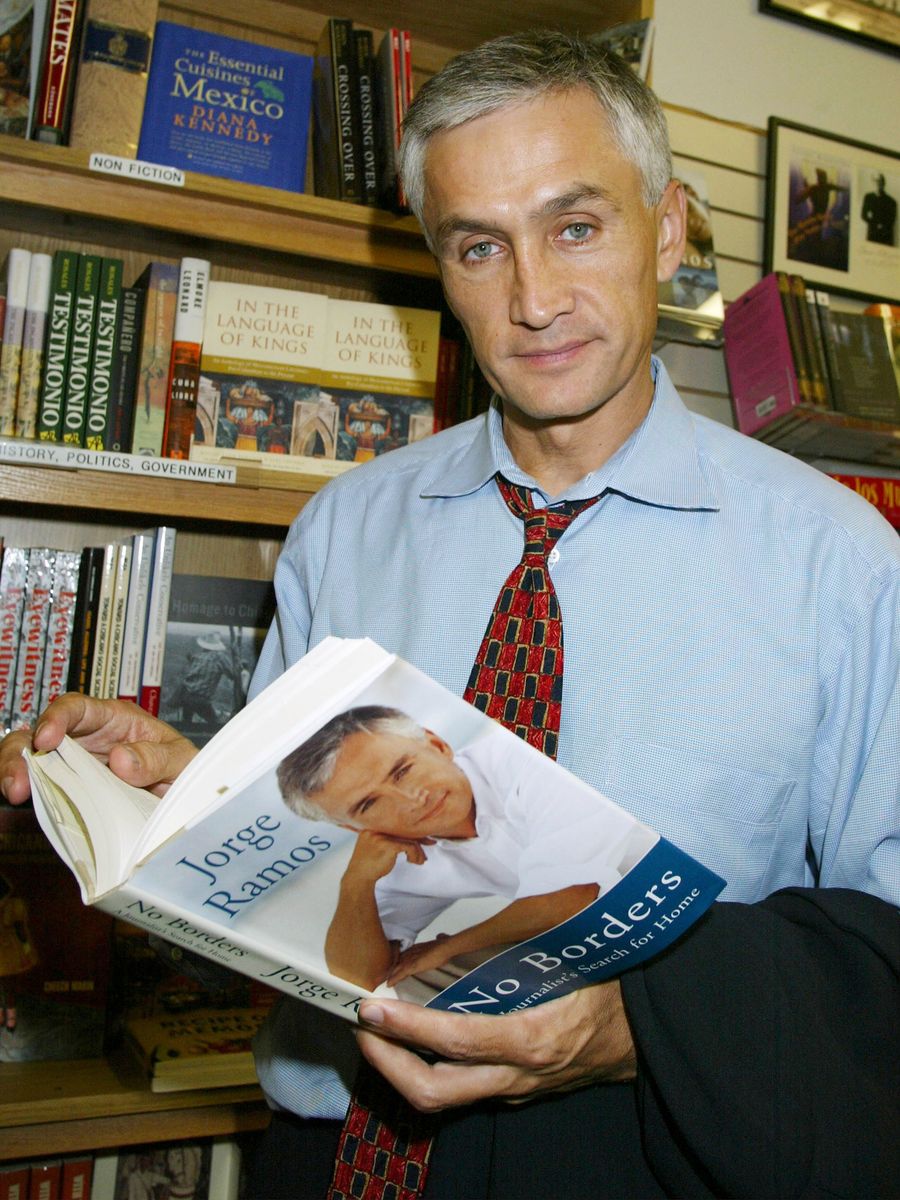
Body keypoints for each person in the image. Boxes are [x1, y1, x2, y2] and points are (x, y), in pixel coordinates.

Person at [2, 30, 898, 1199]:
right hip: (330, 1150)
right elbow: (310, 857)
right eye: (482, 246)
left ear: (669, 228)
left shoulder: (842, 563)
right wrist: (189, 790)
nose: (534, 300)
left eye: (577, 227)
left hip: (642, 1154)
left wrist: (638, 1027)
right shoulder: (345, 526)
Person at [276, 705, 649, 990]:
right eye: (368, 805)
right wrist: (355, 883)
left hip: (674, 888)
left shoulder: (518, 758)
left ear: (437, 745)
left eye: (403, 770)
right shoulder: (399, 856)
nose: (410, 799)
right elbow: (358, 979)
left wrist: (450, 946)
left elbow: (571, 897)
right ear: (351, 826)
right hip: (610, 946)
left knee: (433, 965)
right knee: (406, 985)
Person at [861, 172, 897, 246]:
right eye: (875, 181)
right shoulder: (868, 197)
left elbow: (892, 220)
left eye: (880, 181)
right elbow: (863, 215)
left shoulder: (891, 202)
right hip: (872, 235)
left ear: (883, 183)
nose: (878, 184)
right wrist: (875, 223)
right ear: (873, 183)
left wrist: (881, 225)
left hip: (885, 237)